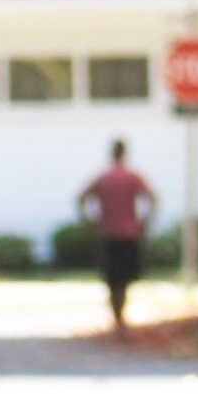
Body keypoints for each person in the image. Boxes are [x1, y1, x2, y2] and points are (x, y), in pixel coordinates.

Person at [75, 140, 156, 333]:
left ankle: (117, 319)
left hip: (107, 233)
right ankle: (120, 320)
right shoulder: (132, 177)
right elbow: (152, 198)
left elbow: (81, 198)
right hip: (129, 233)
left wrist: (91, 222)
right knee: (124, 279)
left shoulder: (103, 178)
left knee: (112, 279)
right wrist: (145, 223)